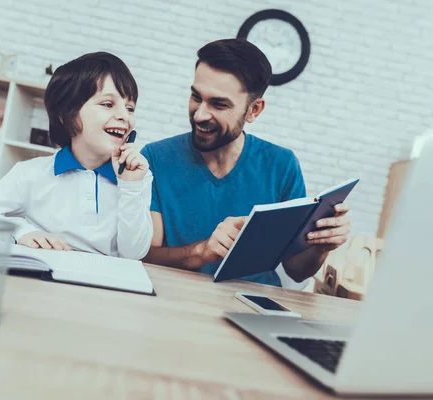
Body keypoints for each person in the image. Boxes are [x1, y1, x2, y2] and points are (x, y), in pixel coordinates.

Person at [140, 39, 351, 286]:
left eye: (219, 104)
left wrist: (320, 247)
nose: (199, 114)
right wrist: (201, 251)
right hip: (181, 301)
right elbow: (146, 255)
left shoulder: (281, 166)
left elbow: (295, 269)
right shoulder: (155, 158)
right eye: (196, 97)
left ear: (254, 110)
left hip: (257, 304)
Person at [0, 52, 153, 260]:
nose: (124, 116)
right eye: (107, 104)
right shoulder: (32, 173)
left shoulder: (137, 179)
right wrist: (22, 231)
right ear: (67, 114)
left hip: (108, 285)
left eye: (130, 108)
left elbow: (134, 253)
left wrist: (131, 187)